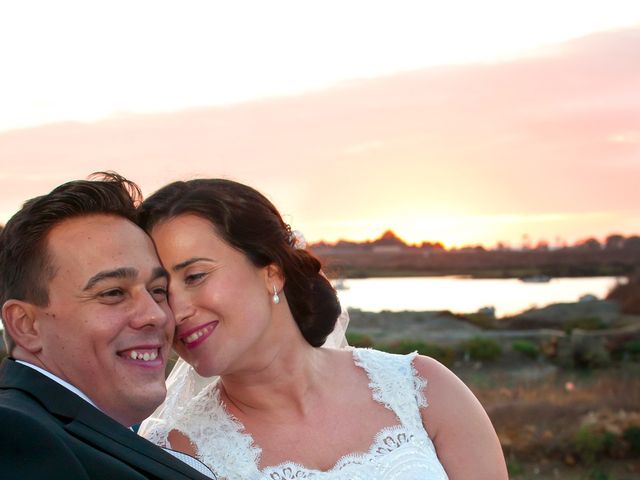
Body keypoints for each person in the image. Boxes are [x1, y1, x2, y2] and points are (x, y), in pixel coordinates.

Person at [138, 178, 508, 480]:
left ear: (272, 272)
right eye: (159, 292)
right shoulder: (174, 455)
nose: (177, 309)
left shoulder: (421, 391)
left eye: (196, 276)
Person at [0, 173, 215, 480]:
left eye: (157, 290)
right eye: (113, 293)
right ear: (27, 325)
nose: (155, 315)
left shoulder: (93, 433)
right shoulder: (14, 435)